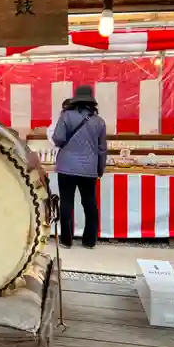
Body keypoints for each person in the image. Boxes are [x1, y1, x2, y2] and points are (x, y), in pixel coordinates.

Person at [51, 85, 107, 249]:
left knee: (66, 202)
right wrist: (100, 169)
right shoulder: (99, 121)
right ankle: (89, 241)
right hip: (89, 169)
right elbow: (102, 149)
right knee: (89, 203)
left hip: (66, 167)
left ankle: (66, 240)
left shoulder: (66, 116)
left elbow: (58, 139)